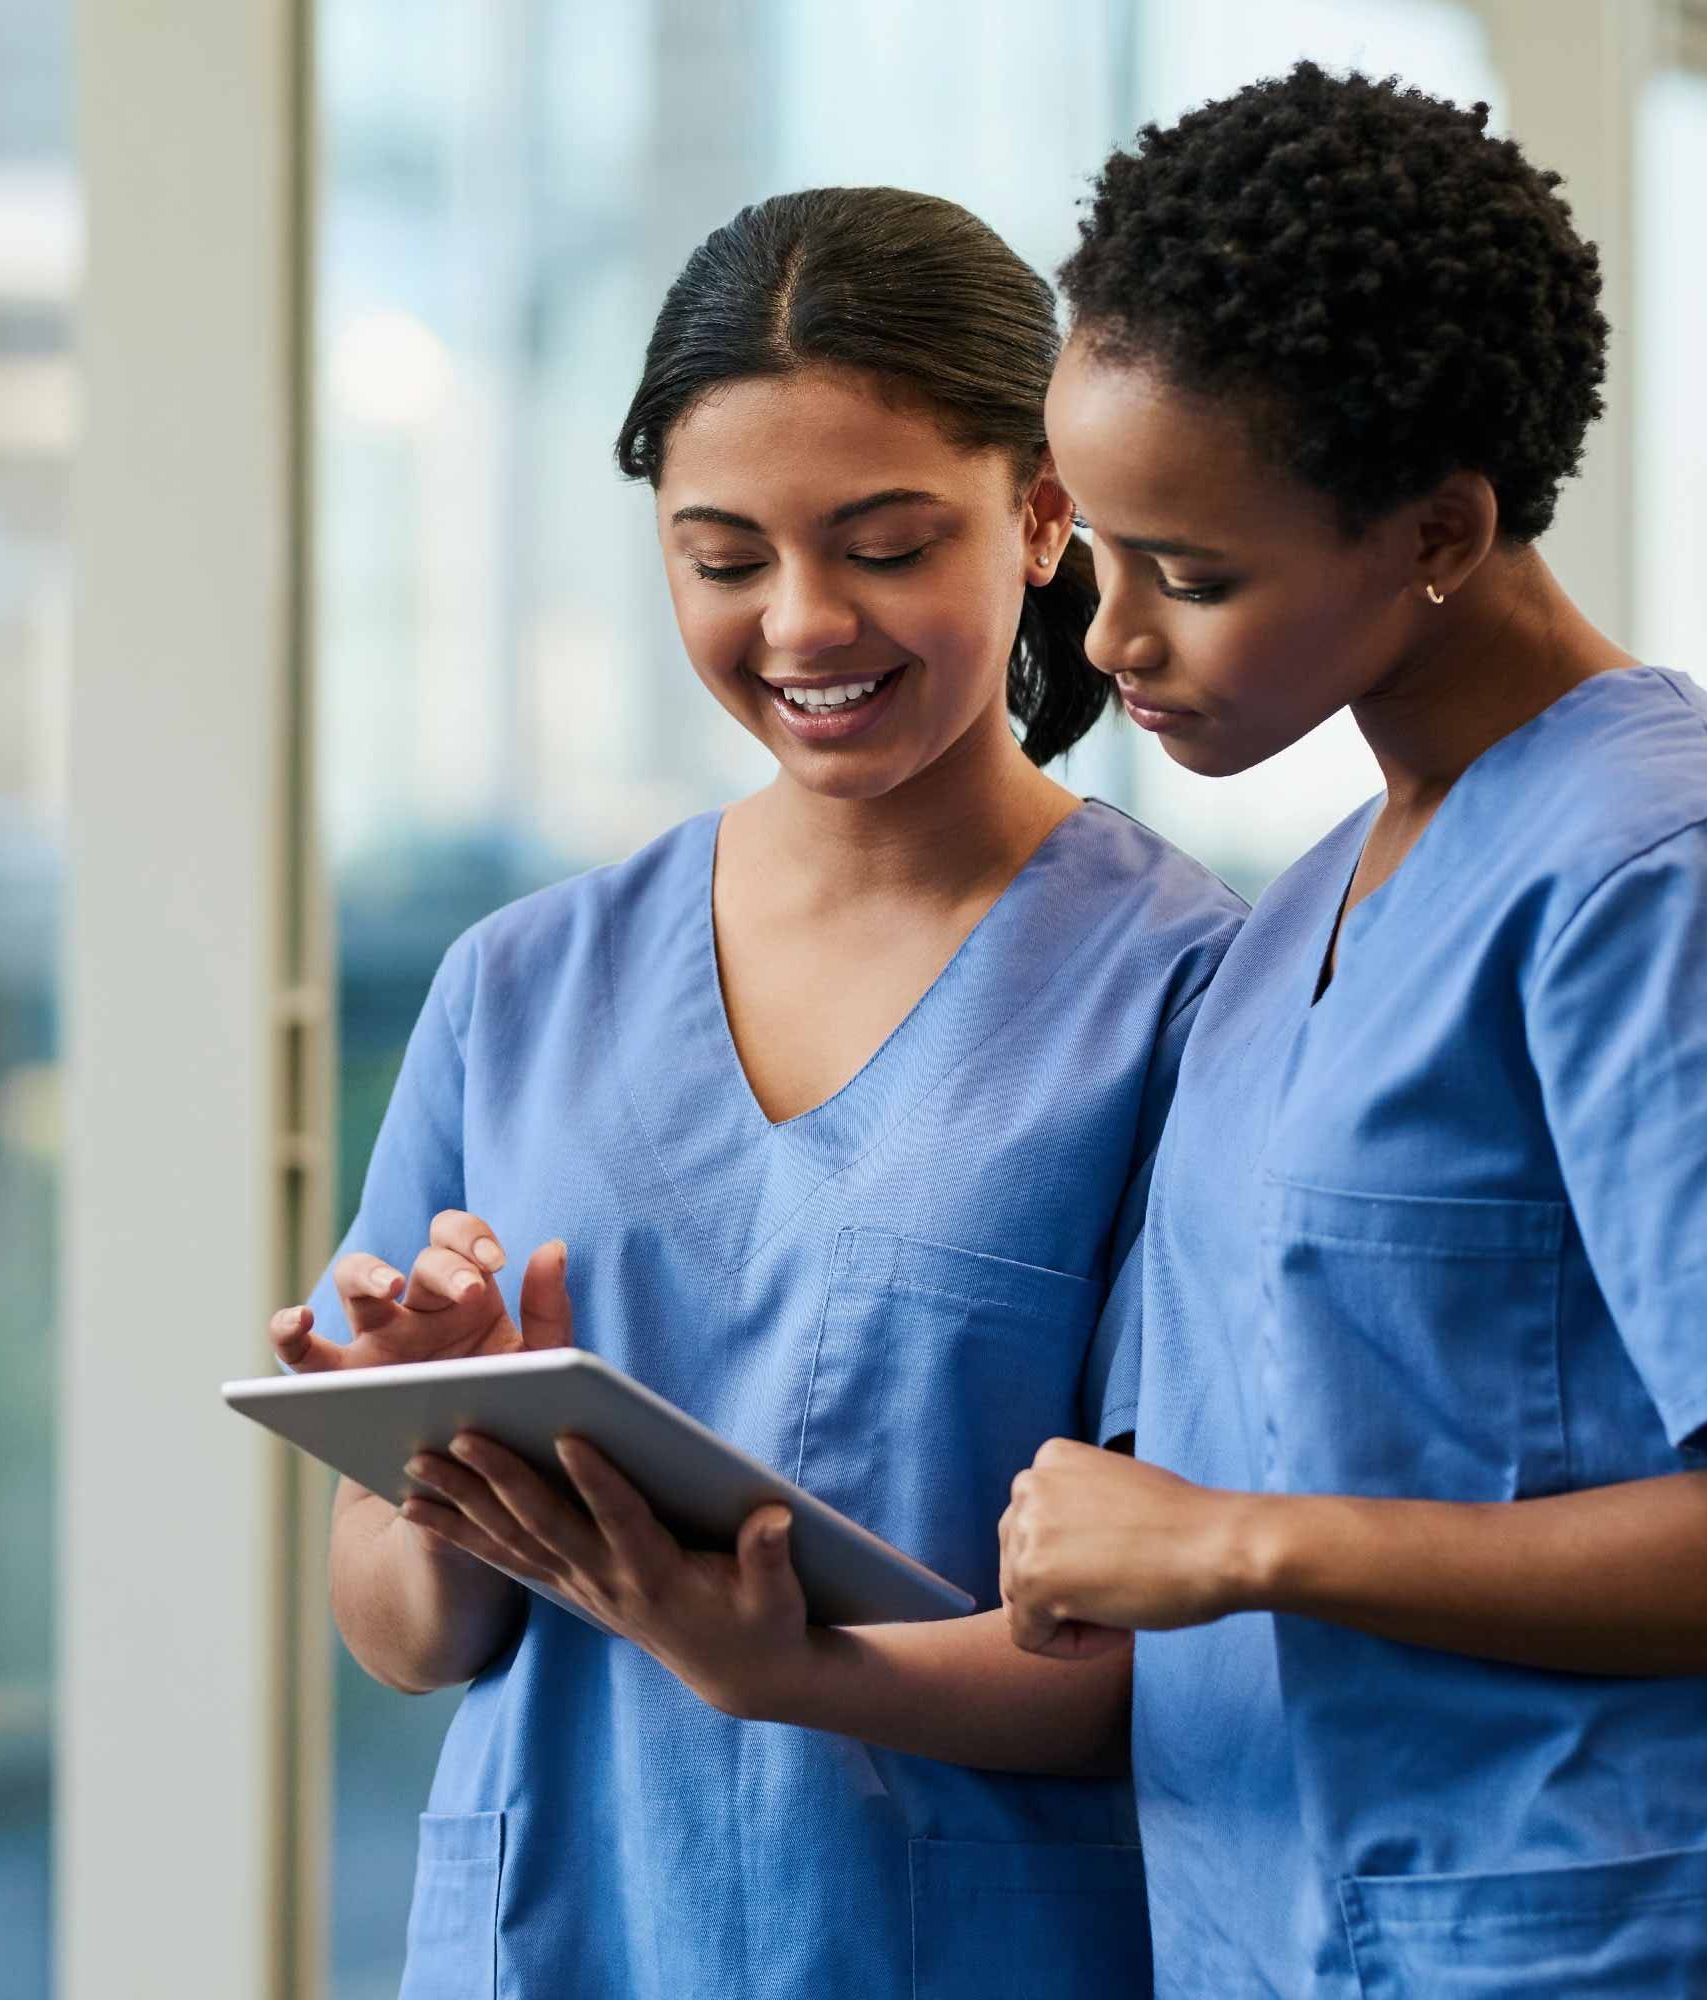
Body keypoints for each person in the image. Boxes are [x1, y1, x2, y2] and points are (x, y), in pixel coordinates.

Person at [268, 186, 1242, 1999]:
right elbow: (406, 1641)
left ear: (1040, 519)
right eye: (724, 561)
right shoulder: (521, 985)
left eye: (884, 544)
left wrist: (796, 1671)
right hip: (559, 1936)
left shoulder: (1185, 996)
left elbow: (1186, 1653)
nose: (802, 625)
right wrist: (435, 1472)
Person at [1000, 65, 1707, 1996]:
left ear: (1437, 527)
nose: (1112, 639)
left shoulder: (1650, 875)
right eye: (1097, 548)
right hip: (1261, 1933)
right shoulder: (1293, 920)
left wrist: (1243, 1545)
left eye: (1197, 575)